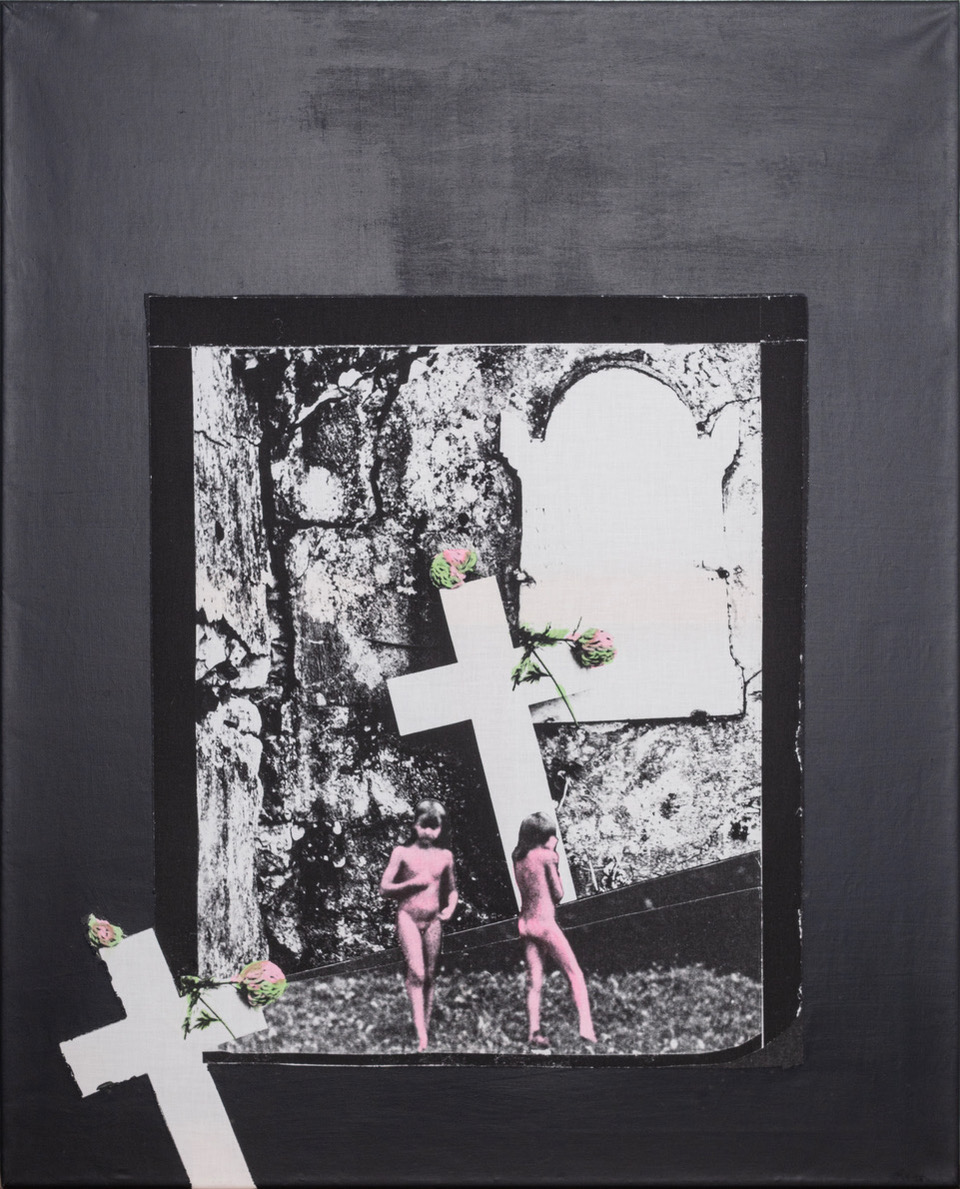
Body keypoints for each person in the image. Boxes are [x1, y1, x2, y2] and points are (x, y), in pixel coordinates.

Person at [380, 799, 458, 1051]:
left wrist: (450, 907)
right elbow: (384, 888)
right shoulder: (401, 853)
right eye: (424, 826)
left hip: (433, 920)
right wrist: (411, 884)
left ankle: (423, 1024)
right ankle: (421, 1035)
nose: (428, 832)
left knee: (430, 974)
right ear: (414, 825)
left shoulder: (444, 856)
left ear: (441, 829)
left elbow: (452, 890)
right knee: (417, 972)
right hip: (408, 918)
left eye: (434, 828)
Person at [513, 812, 596, 1047]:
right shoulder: (548, 856)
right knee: (574, 973)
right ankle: (586, 1029)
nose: (555, 838)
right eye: (552, 835)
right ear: (543, 837)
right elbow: (558, 894)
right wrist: (554, 859)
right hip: (544, 924)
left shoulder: (518, 856)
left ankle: (533, 1032)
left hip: (525, 924)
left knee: (534, 981)